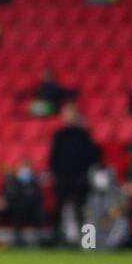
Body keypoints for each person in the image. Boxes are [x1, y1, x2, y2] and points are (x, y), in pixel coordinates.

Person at [48, 104, 100, 244]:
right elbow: (53, 157)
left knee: (80, 210)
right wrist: (56, 175)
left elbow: (92, 156)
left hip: (79, 178)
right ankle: (57, 239)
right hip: (62, 178)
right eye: (65, 113)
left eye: (70, 113)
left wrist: (85, 176)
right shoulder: (59, 135)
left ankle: (84, 241)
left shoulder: (84, 135)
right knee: (58, 209)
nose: (68, 116)